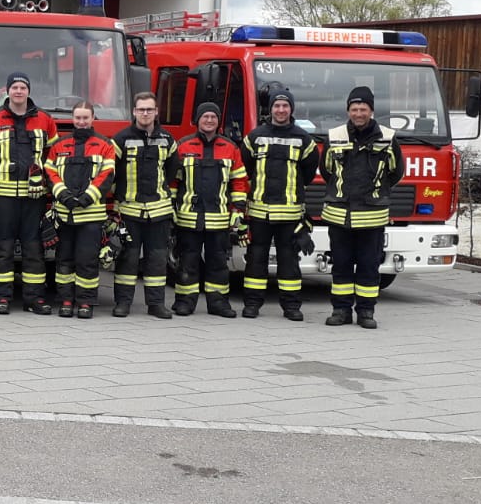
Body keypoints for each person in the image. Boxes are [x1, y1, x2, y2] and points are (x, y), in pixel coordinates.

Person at [0, 70, 59, 315]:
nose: (19, 91)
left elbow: (53, 155)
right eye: (15, 87)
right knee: (4, 248)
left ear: (28, 91)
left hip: (34, 197)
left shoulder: (45, 119)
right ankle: (1, 298)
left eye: (23, 87)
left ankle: (34, 299)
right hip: (3, 197)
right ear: (8, 91)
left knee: (34, 249)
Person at [320, 86, 404, 329]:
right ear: (348, 111)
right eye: (354, 109)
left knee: (369, 266)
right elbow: (326, 170)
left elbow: (396, 172)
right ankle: (341, 311)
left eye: (363, 109)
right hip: (339, 215)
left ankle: (366, 312)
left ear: (371, 111)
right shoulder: (335, 135)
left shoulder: (387, 137)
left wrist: (376, 192)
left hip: (372, 216)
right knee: (341, 265)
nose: (358, 113)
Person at [240, 87, 320, 321]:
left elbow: (307, 174)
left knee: (289, 262)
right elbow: (245, 169)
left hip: (289, 214)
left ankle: (291, 306)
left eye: (285, 106)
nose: (281, 110)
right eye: (277, 105)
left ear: (291, 109)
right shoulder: (254, 137)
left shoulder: (304, 140)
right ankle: (252, 304)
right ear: (270, 109)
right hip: (259, 213)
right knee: (256, 260)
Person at [170, 101, 248, 318]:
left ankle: (219, 303)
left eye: (213, 117)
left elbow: (239, 181)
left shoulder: (230, 148)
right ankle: (184, 302)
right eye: (205, 116)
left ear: (218, 121)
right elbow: (173, 181)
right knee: (187, 262)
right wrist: (170, 208)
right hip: (188, 218)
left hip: (219, 219)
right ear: (198, 120)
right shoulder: (183, 146)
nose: (209, 120)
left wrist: (238, 209)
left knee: (218, 263)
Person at [44, 101, 115, 319]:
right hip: (64, 215)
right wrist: (63, 194)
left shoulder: (105, 145)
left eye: (85, 117)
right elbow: (50, 171)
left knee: (87, 261)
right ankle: (66, 300)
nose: (81, 122)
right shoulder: (60, 144)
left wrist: (87, 198)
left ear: (93, 118)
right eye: (78, 118)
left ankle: (86, 302)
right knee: (63, 260)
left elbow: (107, 174)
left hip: (91, 216)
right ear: (73, 119)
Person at [109, 92, 177, 319]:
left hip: (158, 212)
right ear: (134, 112)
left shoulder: (167, 140)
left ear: (156, 112)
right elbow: (111, 172)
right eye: (141, 109)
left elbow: (171, 171)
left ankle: (156, 304)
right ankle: (123, 303)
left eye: (149, 109)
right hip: (128, 211)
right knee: (127, 259)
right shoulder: (121, 139)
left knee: (157, 259)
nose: (145, 113)